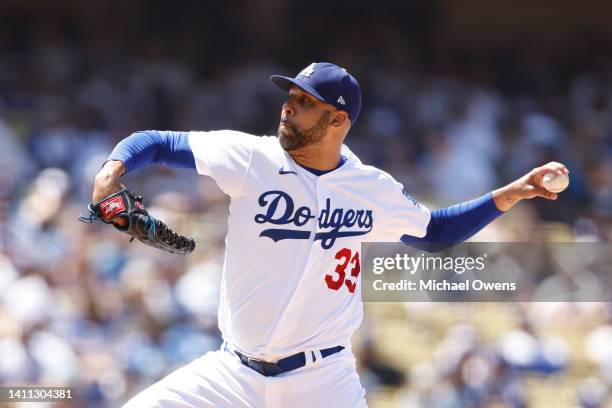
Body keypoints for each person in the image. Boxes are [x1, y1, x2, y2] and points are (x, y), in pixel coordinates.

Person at [91, 62, 569, 407]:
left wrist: (509, 195)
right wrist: (113, 171)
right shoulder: (251, 158)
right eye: (290, 97)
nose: (288, 108)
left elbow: (435, 232)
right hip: (232, 373)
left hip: (321, 381)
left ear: (337, 120)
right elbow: (157, 143)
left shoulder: (370, 188)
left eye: (304, 102)